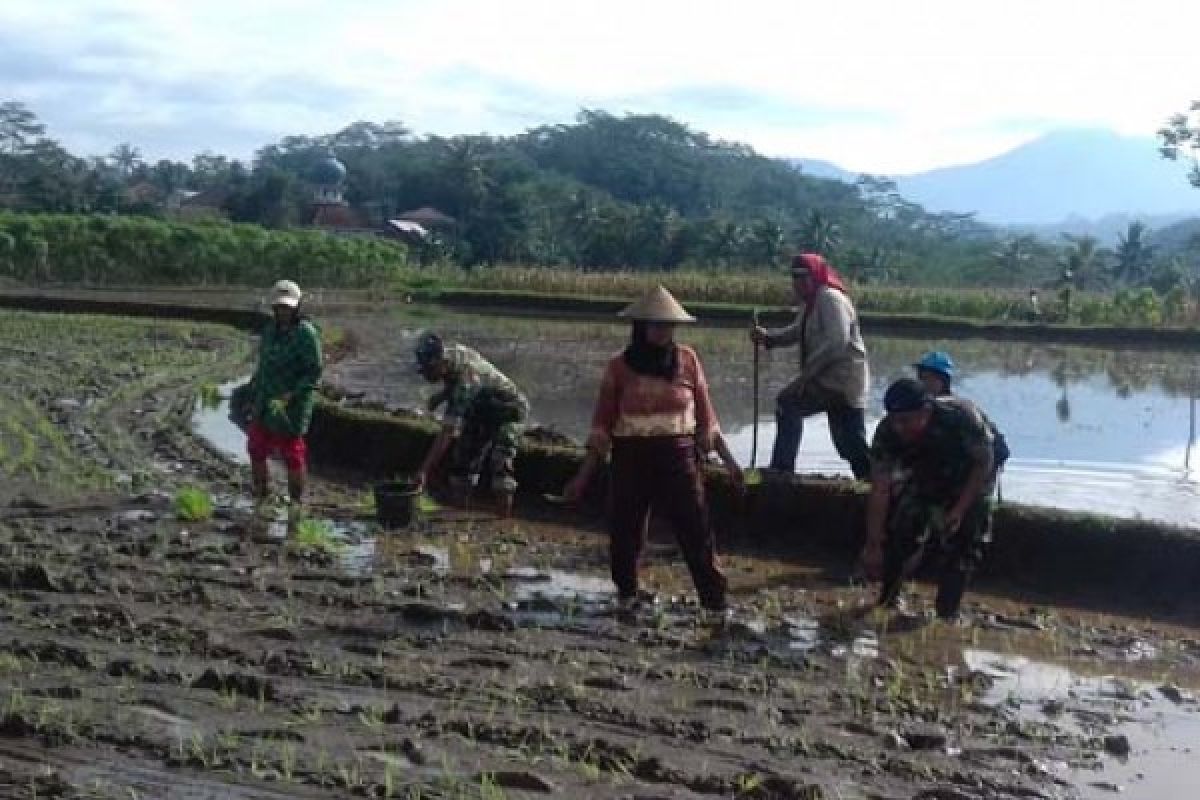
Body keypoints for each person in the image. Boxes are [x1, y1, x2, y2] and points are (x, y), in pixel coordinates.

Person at [564, 286, 742, 615]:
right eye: (656, 324)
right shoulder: (618, 367)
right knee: (625, 528)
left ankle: (715, 601)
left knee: (696, 527)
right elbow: (602, 428)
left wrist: (731, 463)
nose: (663, 331)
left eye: (669, 325)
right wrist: (582, 477)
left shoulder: (688, 361)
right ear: (641, 327)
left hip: (679, 455)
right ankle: (628, 593)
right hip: (631, 456)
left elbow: (707, 419)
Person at [859, 379, 995, 621]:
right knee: (902, 527)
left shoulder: (961, 418)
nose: (899, 428)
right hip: (927, 472)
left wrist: (960, 510)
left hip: (973, 474)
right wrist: (873, 545)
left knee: (962, 544)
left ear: (926, 412)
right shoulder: (887, 432)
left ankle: (947, 613)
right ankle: (888, 599)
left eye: (906, 421)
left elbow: (983, 463)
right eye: (894, 420)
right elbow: (880, 489)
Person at [751, 253, 870, 480]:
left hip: (842, 382)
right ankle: (871, 480)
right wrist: (769, 338)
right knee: (850, 442)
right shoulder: (811, 303)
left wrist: (805, 376)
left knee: (790, 403)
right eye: (794, 277)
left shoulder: (831, 299)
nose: (798, 283)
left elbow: (837, 342)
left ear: (816, 276)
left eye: (804, 277)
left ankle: (782, 469)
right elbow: (798, 332)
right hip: (828, 380)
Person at [413, 332, 529, 517]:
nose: (426, 375)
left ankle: (502, 519)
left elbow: (447, 433)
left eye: (429, 370)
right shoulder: (453, 356)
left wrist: (424, 471)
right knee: (464, 458)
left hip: (509, 411)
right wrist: (441, 396)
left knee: (500, 463)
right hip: (482, 409)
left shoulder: (465, 381)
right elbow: (457, 381)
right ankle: (459, 510)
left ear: (440, 363)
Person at [246, 279, 323, 525]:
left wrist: (292, 394)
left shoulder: (306, 334)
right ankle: (261, 495)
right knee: (256, 447)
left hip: (293, 404)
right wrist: (254, 387)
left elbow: (313, 371)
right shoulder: (270, 331)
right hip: (266, 400)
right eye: (279, 307)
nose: (283, 311)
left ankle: (296, 504)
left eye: (287, 307)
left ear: (297, 306)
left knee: (292, 455)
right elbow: (264, 364)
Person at [913, 351, 1010, 476]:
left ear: (943, 381)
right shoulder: (920, 408)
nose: (923, 382)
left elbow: (997, 450)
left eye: (928, 378)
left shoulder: (961, 411)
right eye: (921, 377)